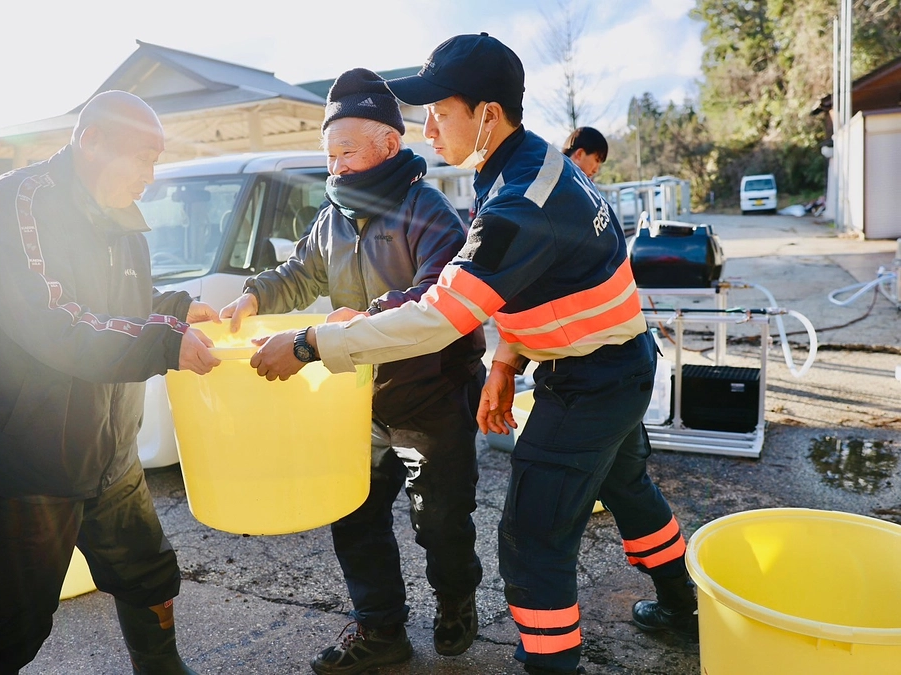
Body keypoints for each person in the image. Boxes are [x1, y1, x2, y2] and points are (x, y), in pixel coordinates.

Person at [249, 34, 697, 675]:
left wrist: (311, 342)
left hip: (591, 379)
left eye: (441, 111)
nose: (426, 127)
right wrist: (509, 363)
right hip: (615, 360)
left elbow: (441, 317)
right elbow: (543, 281)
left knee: (533, 539)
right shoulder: (529, 163)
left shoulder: (517, 203)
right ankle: (682, 603)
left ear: (488, 114)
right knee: (626, 487)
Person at [219, 68, 487, 675]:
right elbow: (301, 272)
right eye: (329, 153)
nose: (335, 165)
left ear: (389, 147)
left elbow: (432, 303)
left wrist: (349, 323)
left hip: (432, 394)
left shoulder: (431, 212)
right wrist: (255, 297)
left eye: (346, 151)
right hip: (359, 397)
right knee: (353, 512)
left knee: (439, 518)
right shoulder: (331, 216)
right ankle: (380, 629)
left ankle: (455, 598)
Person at [0, 90, 222, 675]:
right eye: (142, 157)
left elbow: (115, 305)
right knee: (11, 617)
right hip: (27, 458)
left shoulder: (125, 224)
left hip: (109, 451)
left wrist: (174, 309)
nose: (151, 174)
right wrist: (163, 341)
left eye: (157, 159)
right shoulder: (17, 205)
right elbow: (51, 319)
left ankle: (161, 669)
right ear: (90, 140)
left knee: (148, 571)